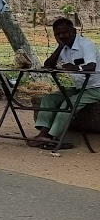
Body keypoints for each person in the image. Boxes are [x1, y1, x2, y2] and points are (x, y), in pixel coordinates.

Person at [28, 16, 100, 149]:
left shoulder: (86, 45)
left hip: (96, 87)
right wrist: (60, 47)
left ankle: (53, 137)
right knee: (49, 99)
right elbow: (48, 65)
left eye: (65, 32)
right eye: (58, 34)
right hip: (80, 87)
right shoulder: (62, 46)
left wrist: (76, 68)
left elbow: (91, 66)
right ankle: (43, 133)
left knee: (68, 103)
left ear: (74, 31)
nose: (62, 36)